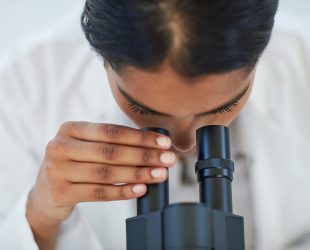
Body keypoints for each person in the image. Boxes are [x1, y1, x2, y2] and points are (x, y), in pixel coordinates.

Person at [1, 1, 310, 250]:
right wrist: (40, 217)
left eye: (225, 106)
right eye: (141, 109)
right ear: (102, 58)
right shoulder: (20, 89)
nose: (184, 143)